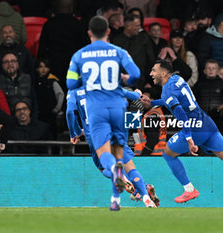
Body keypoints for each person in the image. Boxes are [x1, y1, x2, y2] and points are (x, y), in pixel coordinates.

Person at [142, 59, 223, 208]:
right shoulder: (177, 79)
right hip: (208, 124)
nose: (151, 73)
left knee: (168, 154)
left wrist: (189, 138)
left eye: (154, 70)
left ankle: (189, 189)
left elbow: (180, 113)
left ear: (164, 72)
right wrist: (152, 103)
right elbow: (174, 100)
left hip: (195, 129)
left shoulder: (167, 91)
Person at [66, 16, 141, 211]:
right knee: (118, 152)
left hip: (96, 110)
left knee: (103, 154)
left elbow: (71, 84)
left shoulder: (78, 56)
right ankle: (115, 200)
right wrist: (124, 77)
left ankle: (115, 174)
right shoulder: (119, 51)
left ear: (89, 33)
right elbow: (136, 76)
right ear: (108, 32)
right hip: (117, 107)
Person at [66, 86, 158, 208]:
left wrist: (75, 132)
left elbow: (70, 113)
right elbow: (131, 95)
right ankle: (145, 197)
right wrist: (138, 93)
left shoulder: (74, 91)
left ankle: (122, 179)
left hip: (96, 137)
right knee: (130, 168)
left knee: (104, 169)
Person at [37, 0, 88, 92]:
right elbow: (85, 47)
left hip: (54, 67)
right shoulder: (79, 25)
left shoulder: (49, 25)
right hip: (74, 67)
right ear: (71, 8)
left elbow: (42, 48)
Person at [112, 13, 155, 88]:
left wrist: (149, 82)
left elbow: (151, 61)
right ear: (128, 26)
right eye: (137, 25)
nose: (140, 28)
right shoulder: (117, 42)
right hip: (122, 85)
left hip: (142, 84)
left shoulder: (144, 38)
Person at [0, 52, 37, 117]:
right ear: (2, 65)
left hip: (28, 118)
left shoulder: (28, 78)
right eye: (6, 62)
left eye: (13, 61)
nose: (10, 64)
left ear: (18, 64)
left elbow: (34, 101)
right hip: (7, 119)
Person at [197, 13, 223, 77]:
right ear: (222, 23)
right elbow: (202, 59)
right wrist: (216, 70)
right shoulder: (207, 38)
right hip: (211, 78)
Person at [35, 59, 64, 139]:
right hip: (39, 114)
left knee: (52, 134)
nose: (43, 69)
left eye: (45, 67)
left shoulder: (52, 81)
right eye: (41, 67)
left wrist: (56, 109)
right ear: (37, 69)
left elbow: (60, 95)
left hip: (51, 115)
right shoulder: (35, 82)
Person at [134, 87, 167, 155]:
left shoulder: (153, 115)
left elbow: (153, 140)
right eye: (142, 99)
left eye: (146, 99)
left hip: (151, 155)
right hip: (156, 154)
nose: (143, 102)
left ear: (153, 100)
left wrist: (143, 155)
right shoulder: (155, 113)